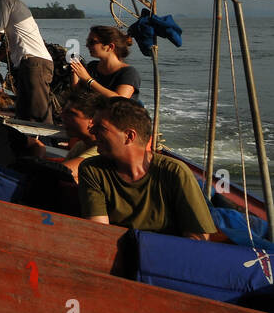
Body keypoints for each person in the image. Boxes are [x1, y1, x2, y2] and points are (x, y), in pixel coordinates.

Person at [78, 97, 219, 239]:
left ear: (129, 136)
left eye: (100, 128)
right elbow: (99, 232)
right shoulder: (92, 170)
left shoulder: (174, 172)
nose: (92, 132)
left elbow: (197, 238)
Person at [70, 25, 141, 100]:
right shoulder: (92, 66)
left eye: (92, 42)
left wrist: (88, 79)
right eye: (88, 42)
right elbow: (78, 95)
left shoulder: (129, 73)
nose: (87, 45)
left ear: (110, 47)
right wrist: (75, 72)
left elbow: (120, 100)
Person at [57, 90, 101, 181]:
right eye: (63, 112)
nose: (62, 116)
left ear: (92, 120)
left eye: (71, 114)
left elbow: (62, 172)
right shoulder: (80, 145)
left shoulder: (100, 150)